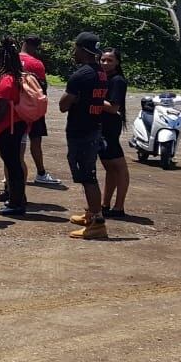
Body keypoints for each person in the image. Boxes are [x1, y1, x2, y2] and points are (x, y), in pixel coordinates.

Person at [60, 32, 110, 239]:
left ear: (82, 50)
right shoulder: (100, 73)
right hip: (93, 127)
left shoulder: (80, 76)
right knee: (88, 174)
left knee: (88, 177)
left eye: (75, 48)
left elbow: (63, 105)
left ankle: (97, 223)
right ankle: (91, 214)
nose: (74, 52)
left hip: (82, 131)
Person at [0, 37, 28, 216]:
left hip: (9, 127)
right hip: (12, 126)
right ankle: (17, 200)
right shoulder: (10, 76)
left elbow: (2, 108)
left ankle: (16, 203)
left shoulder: (6, 79)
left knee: (13, 166)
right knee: (13, 165)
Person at [20, 36, 62, 186]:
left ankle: (12, 171)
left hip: (15, 108)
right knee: (35, 141)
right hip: (33, 108)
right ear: (37, 47)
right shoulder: (36, 64)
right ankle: (41, 173)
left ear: (23, 43)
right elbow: (41, 89)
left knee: (16, 142)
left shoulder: (11, 59)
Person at [99, 48, 130, 219]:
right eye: (103, 60)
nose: (105, 63)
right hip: (102, 126)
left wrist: (93, 98)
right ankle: (105, 204)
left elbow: (113, 107)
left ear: (117, 62)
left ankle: (119, 207)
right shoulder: (104, 78)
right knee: (109, 168)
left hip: (110, 127)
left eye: (109, 60)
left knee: (119, 168)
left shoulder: (117, 81)